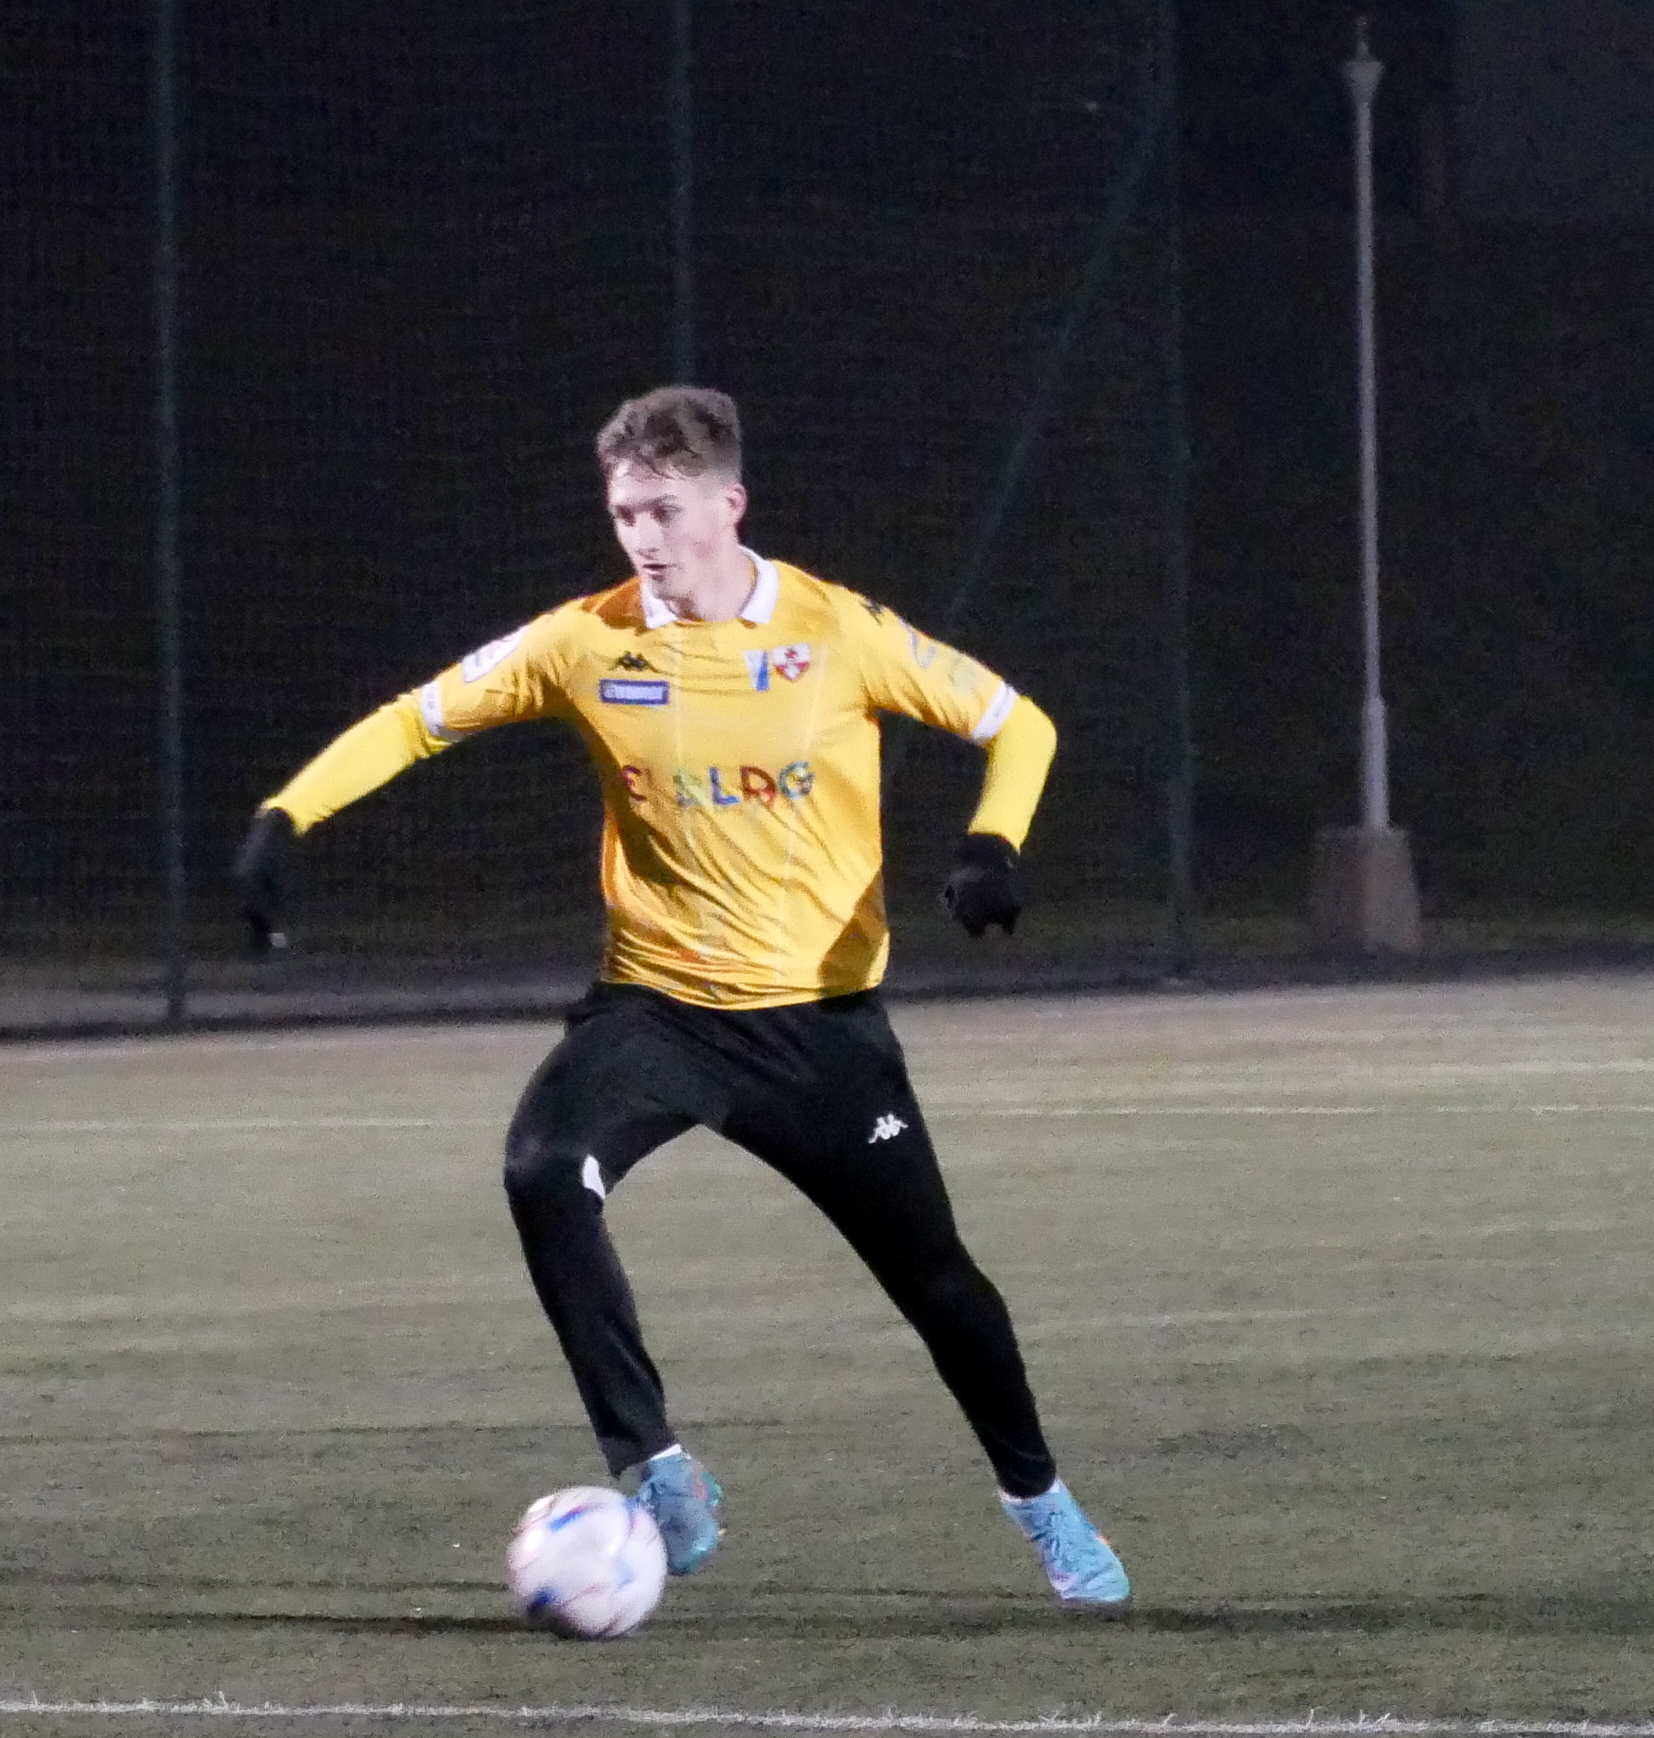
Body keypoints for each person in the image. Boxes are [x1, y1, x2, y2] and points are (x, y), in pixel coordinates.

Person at [233, 387, 1127, 1605]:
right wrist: (285, 817)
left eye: (663, 510)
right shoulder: (584, 641)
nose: (642, 538)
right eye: (623, 514)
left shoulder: (835, 630)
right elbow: (413, 723)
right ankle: (655, 1466)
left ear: (730, 503)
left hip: (818, 1030)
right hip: (655, 1013)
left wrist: (992, 843)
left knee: (939, 1286)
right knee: (544, 1168)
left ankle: (1042, 1502)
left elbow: (1021, 725)